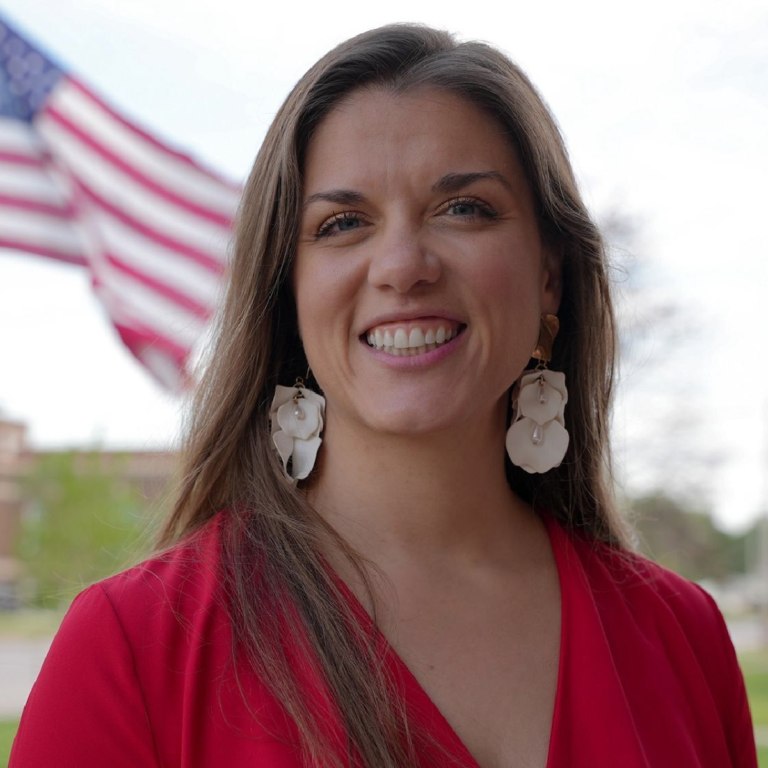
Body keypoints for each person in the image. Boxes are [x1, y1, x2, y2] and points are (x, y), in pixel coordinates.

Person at [10, 23, 757, 768]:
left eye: (464, 208)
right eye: (342, 223)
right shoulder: (134, 647)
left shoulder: (683, 637)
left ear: (549, 277)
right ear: (288, 294)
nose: (402, 265)